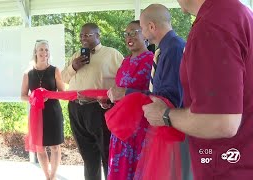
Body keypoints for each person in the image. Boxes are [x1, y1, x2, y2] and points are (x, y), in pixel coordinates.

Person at [143, 0, 253, 179]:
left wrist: (164, 115)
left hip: (227, 167)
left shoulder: (213, 24)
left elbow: (220, 122)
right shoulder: (233, 13)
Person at [61, 23, 123, 180]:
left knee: (106, 152)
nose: (83, 38)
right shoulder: (76, 55)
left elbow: (124, 78)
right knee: (87, 156)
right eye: (81, 35)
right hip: (76, 109)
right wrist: (73, 67)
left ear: (98, 35)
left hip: (99, 108)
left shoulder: (112, 54)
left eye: (87, 35)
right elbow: (63, 78)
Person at [139, 4, 192, 180]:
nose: (142, 32)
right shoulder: (164, 49)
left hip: (174, 132)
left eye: (141, 28)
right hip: (166, 128)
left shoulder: (174, 48)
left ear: (152, 26)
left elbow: (171, 97)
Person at [106, 20, 154, 180]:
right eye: (126, 33)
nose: (129, 36)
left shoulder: (151, 60)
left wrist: (125, 93)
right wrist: (110, 99)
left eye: (134, 32)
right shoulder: (125, 61)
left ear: (145, 35)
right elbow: (119, 91)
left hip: (139, 127)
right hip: (120, 128)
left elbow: (154, 94)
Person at [21, 40, 65, 180]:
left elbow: (62, 92)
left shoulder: (55, 70)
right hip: (36, 114)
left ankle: (53, 176)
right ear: (35, 52)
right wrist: (35, 98)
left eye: (46, 50)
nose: (44, 52)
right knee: (40, 148)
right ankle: (47, 176)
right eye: (41, 49)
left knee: (55, 147)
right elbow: (22, 96)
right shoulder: (28, 73)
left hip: (53, 112)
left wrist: (47, 95)